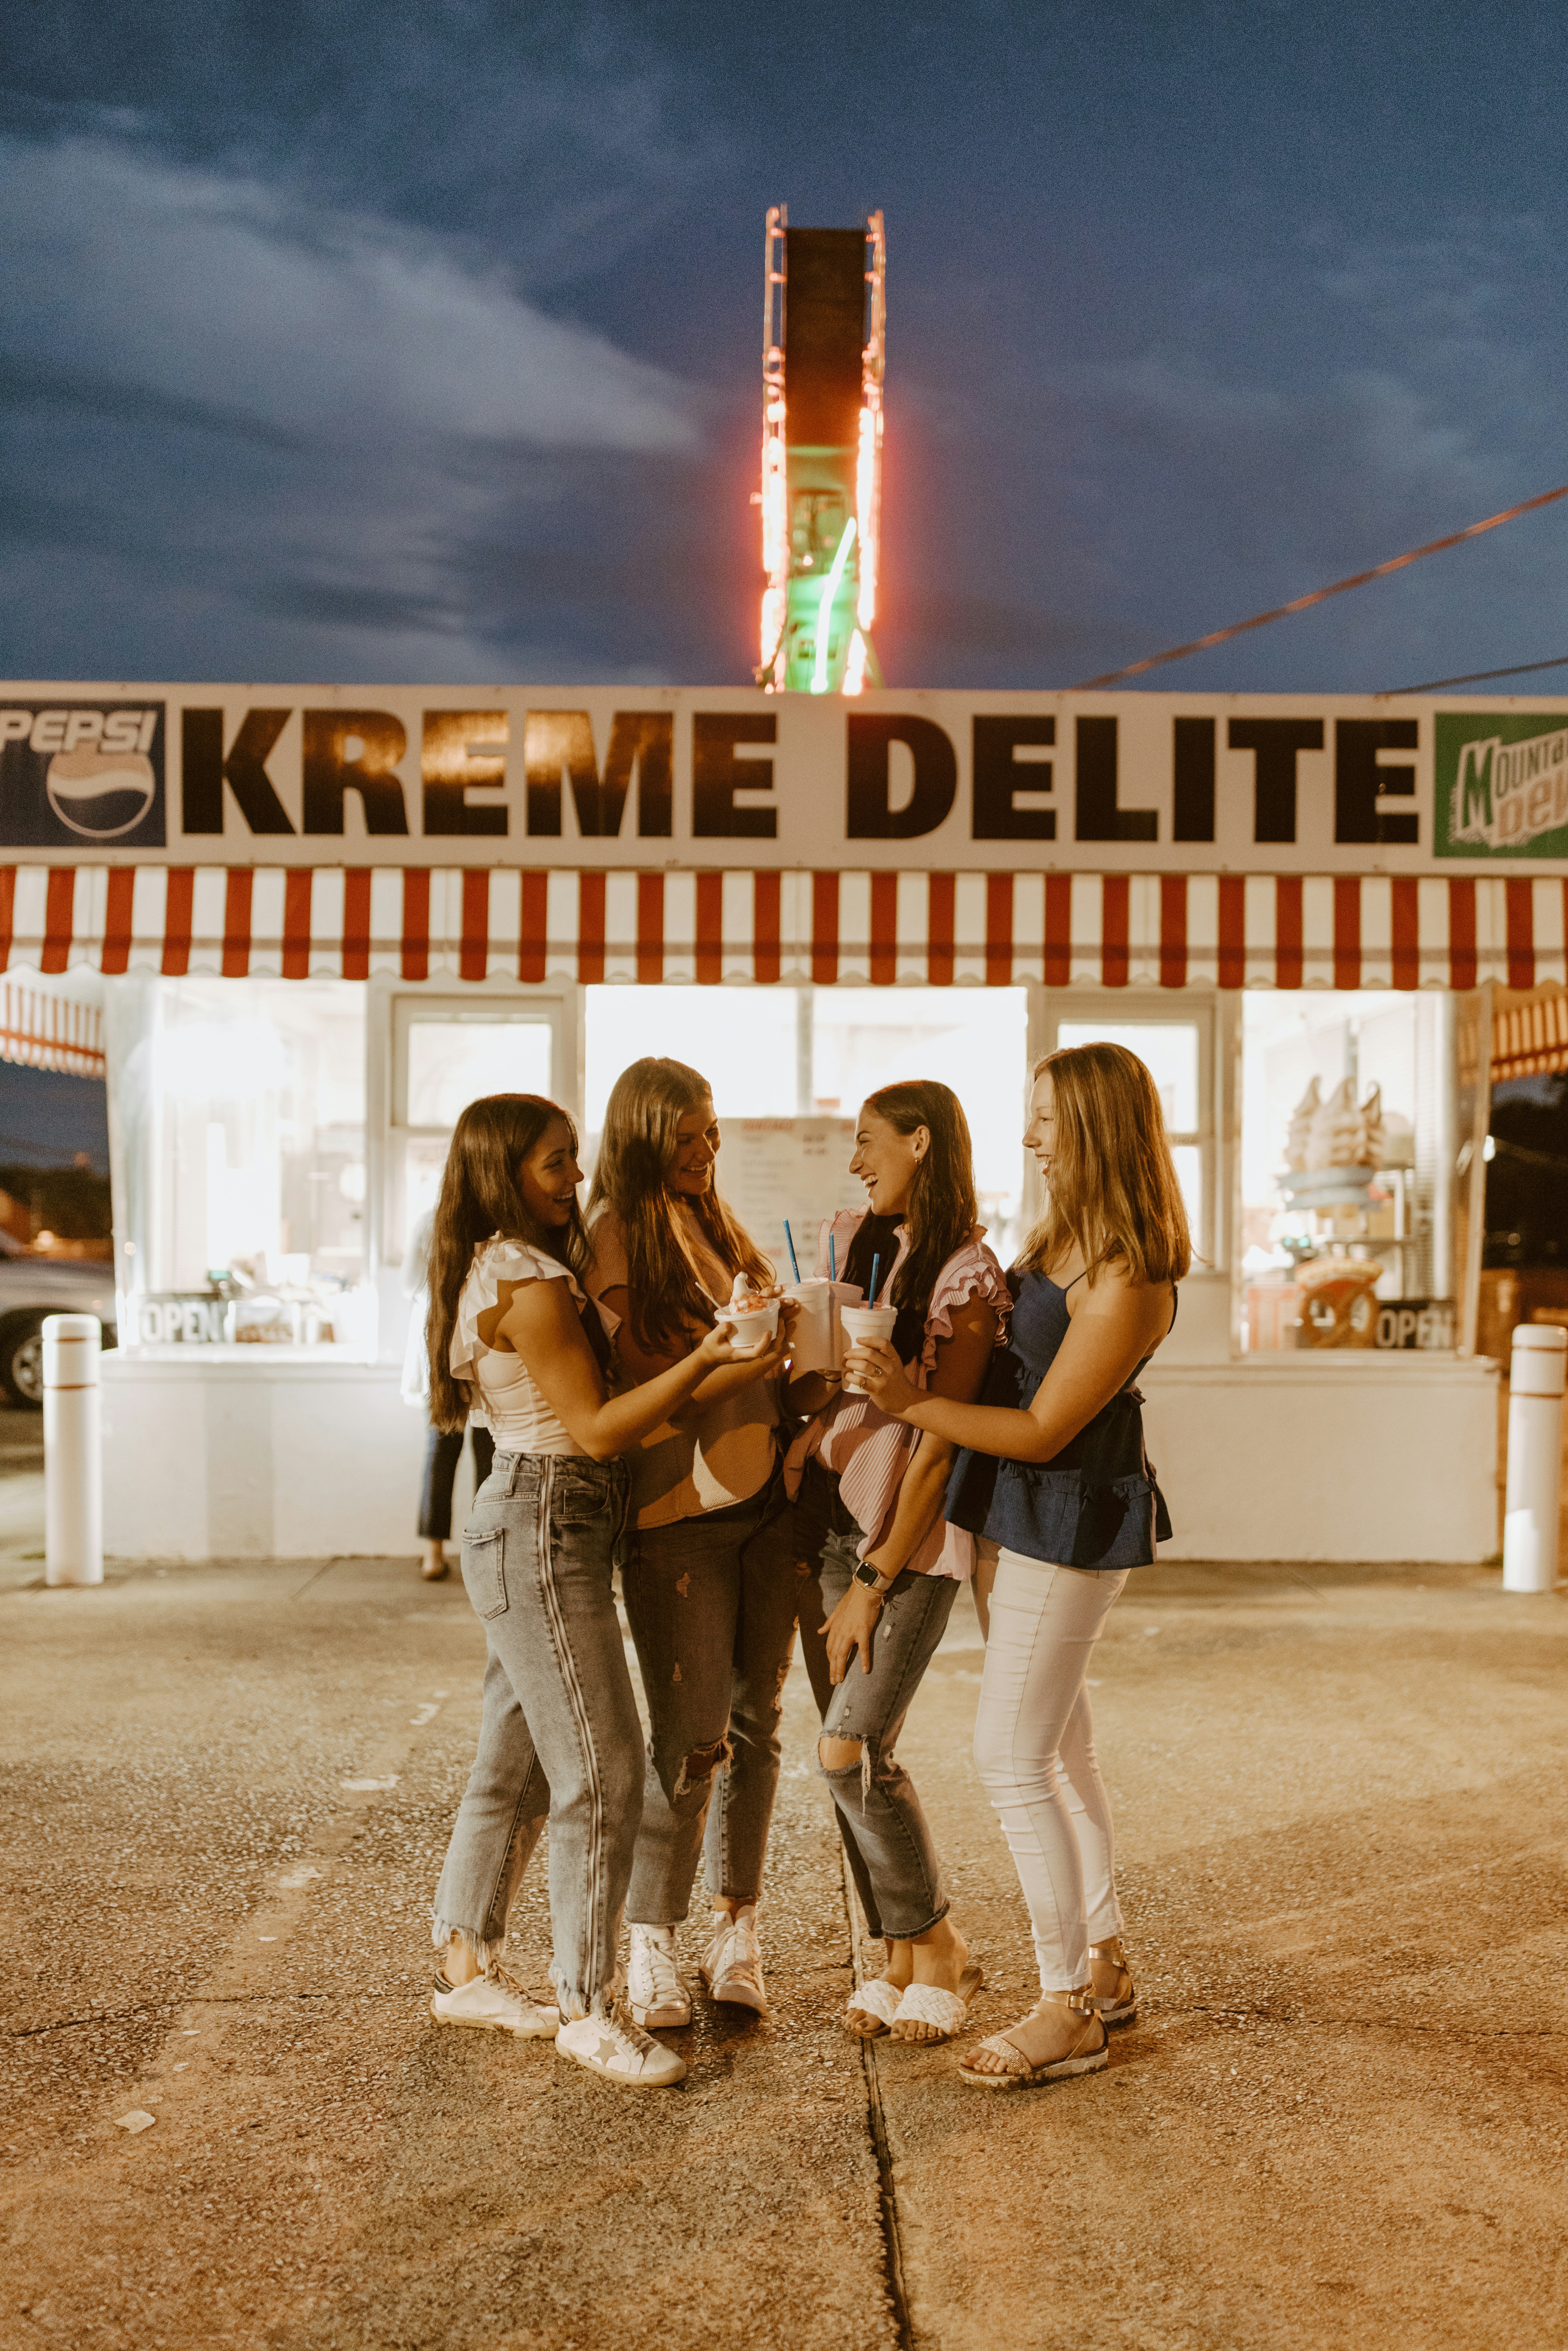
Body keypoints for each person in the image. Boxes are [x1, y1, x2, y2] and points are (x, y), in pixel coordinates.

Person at [423, 1092, 789, 2090]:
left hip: (541, 1521)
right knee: (604, 1767)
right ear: (503, 1169)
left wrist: (717, 1358)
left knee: (515, 1762)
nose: (573, 1177)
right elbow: (593, 1426)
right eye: (552, 1163)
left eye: (573, 1159)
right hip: (548, 1521)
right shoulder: (530, 1278)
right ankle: (588, 2005)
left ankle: (464, 1969)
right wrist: (712, 1354)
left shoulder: (500, 1261)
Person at [850, 1042, 1186, 2090]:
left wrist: (908, 1405)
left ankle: (1065, 2007)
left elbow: (1041, 1426)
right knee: (1063, 1748)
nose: (1030, 1134)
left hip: (1064, 1520)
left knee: (1008, 1755)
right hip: (1021, 1517)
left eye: (1044, 1116)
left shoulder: (1129, 1271)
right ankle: (1104, 1960)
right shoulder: (1066, 1237)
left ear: (1093, 1124)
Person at [785, 1080, 1008, 2045]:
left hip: (906, 1545)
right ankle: (897, 1957)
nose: (855, 1159)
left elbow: (940, 1448)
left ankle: (939, 1941)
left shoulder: (967, 1273)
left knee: (846, 1747)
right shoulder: (862, 1244)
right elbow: (827, 1395)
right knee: (861, 1752)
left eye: (869, 1140)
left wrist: (875, 1580)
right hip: (833, 1524)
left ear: (920, 1141)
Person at [586, 1058, 799, 2030]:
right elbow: (639, 1397)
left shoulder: (713, 1227)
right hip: (679, 1515)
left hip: (762, 1506)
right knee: (691, 1739)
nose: (704, 1152)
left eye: (710, 1132)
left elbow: (741, 1366)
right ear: (638, 1135)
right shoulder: (615, 1234)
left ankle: (736, 1926)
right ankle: (650, 1941)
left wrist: (786, 1344)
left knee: (757, 1731)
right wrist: (732, 1356)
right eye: (684, 1136)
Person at [402, 1205, 494, 1580]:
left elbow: (410, 1284)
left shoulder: (430, 1217)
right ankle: (487, 1553)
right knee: (489, 1450)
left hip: (438, 1338)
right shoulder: (491, 1214)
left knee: (441, 1450)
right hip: (483, 1337)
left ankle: (433, 1553)